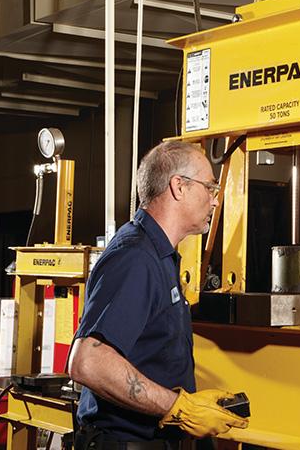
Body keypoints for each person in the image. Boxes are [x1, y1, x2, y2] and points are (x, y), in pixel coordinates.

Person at [68, 140, 248, 449]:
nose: (215, 201)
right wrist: (179, 408)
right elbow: (89, 361)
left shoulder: (158, 255)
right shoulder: (136, 258)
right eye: (209, 188)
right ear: (179, 186)